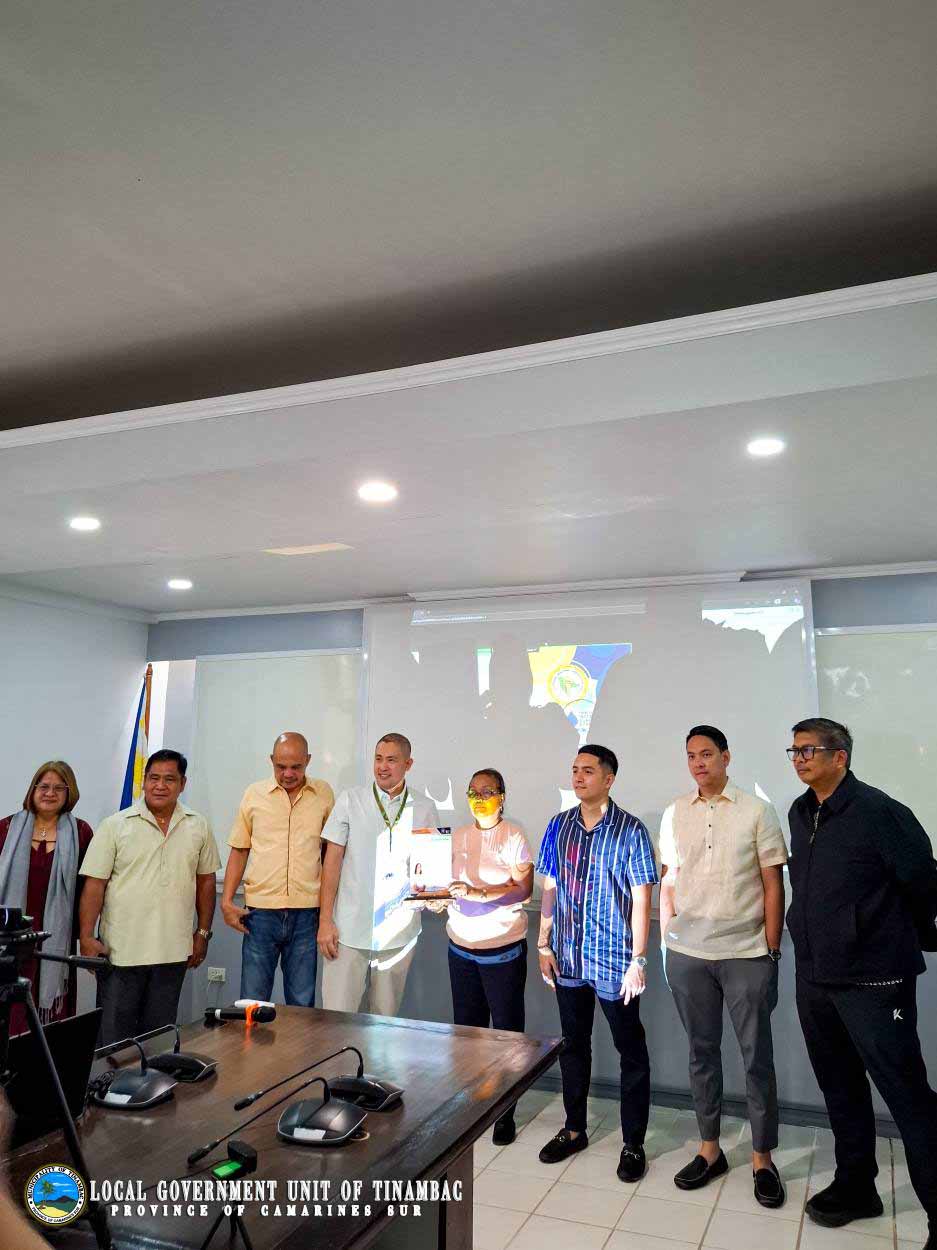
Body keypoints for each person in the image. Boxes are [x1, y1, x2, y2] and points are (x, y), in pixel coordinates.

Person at [786, 717, 937, 1248]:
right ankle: (857, 1187)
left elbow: (925, 882)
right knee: (840, 1086)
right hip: (815, 977)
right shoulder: (800, 811)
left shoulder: (881, 812)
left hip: (874, 980)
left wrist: (897, 938)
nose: (799, 759)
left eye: (809, 750)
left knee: (908, 1096)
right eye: (794, 750)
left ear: (840, 757)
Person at [659, 725, 788, 1207]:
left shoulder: (756, 810)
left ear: (726, 757)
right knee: (701, 1053)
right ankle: (710, 1149)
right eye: (691, 755)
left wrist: (771, 950)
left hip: (746, 952)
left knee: (757, 1058)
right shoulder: (676, 811)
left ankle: (762, 1158)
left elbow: (773, 883)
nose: (699, 763)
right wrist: (668, 942)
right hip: (689, 954)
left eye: (707, 754)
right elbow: (670, 881)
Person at [536, 744, 658, 1184]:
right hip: (568, 956)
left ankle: (633, 1143)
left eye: (588, 771)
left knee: (631, 1051)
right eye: (575, 769)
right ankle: (574, 1129)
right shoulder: (558, 825)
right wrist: (543, 943)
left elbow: (642, 899)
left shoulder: (631, 830)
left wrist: (638, 959)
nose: (578, 777)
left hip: (614, 962)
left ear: (609, 779)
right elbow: (550, 886)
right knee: (573, 1045)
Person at [79, 749, 220, 1045]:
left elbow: (206, 882)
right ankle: (113, 1079)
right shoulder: (115, 825)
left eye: (169, 779)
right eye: (154, 778)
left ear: (182, 784)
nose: (160, 785)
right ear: (144, 781)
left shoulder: (198, 825)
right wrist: (87, 937)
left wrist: (203, 933)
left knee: (158, 1041)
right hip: (121, 953)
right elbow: (94, 885)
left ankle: (153, 1079)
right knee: (114, 1043)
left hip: (173, 953)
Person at [424, 767, 533, 1145]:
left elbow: (523, 890)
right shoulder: (456, 836)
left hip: (502, 949)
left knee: (505, 1036)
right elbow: (440, 883)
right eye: (473, 791)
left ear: (502, 796)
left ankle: (505, 1111)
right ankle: (472, 1105)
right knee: (467, 1034)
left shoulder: (513, 835)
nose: (479, 798)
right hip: (461, 947)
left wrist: (480, 894)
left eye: (487, 791)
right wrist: (435, 898)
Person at [318, 734, 438, 1015]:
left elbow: (430, 870)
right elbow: (331, 862)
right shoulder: (351, 800)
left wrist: (435, 893)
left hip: (398, 933)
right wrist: (325, 921)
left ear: (408, 764)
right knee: (336, 1018)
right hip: (348, 929)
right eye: (378, 759)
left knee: (384, 1021)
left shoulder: (424, 807)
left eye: (391, 760)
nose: (383, 767)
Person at [221, 733, 334, 1007]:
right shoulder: (254, 794)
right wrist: (226, 901)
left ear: (308, 761)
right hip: (259, 914)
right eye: (281, 766)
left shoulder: (323, 794)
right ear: (271, 760)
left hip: (307, 915)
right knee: (252, 1002)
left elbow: (331, 854)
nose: (288, 774)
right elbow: (240, 849)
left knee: (302, 1003)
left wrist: (327, 914)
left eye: (296, 767)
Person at [0, 761, 94, 1034]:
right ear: (33, 790)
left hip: (56, 939)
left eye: (58, 788)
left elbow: (89, 889)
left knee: (50, 1018)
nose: (50, 793)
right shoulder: (6, 828)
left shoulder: (81, 833)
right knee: (10, 1012)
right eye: (43, 786)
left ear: (69, 792)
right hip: (11, 940)